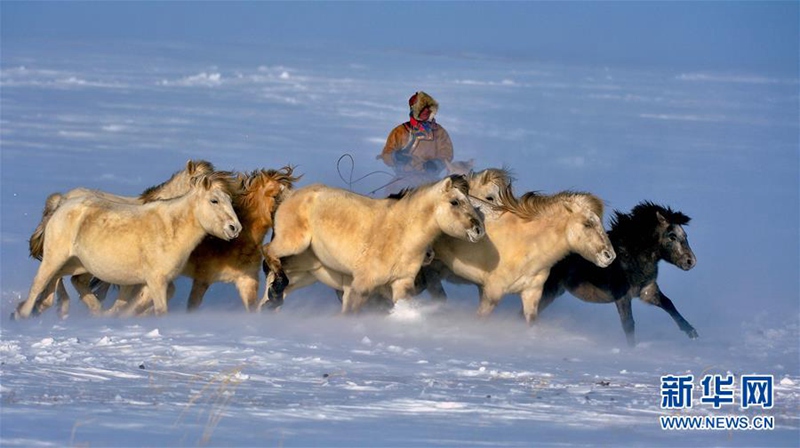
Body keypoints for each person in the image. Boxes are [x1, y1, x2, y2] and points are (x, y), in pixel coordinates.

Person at [378, 91, 454, 184]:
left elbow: (447, 153)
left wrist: (436, 164)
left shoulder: (439, 132)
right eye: (426, 113)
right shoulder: (400, 132)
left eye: (431, 112)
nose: (430, 116)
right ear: (416, 113)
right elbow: (386, 154)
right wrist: (396, 157)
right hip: (402, 180)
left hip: (430, 181)